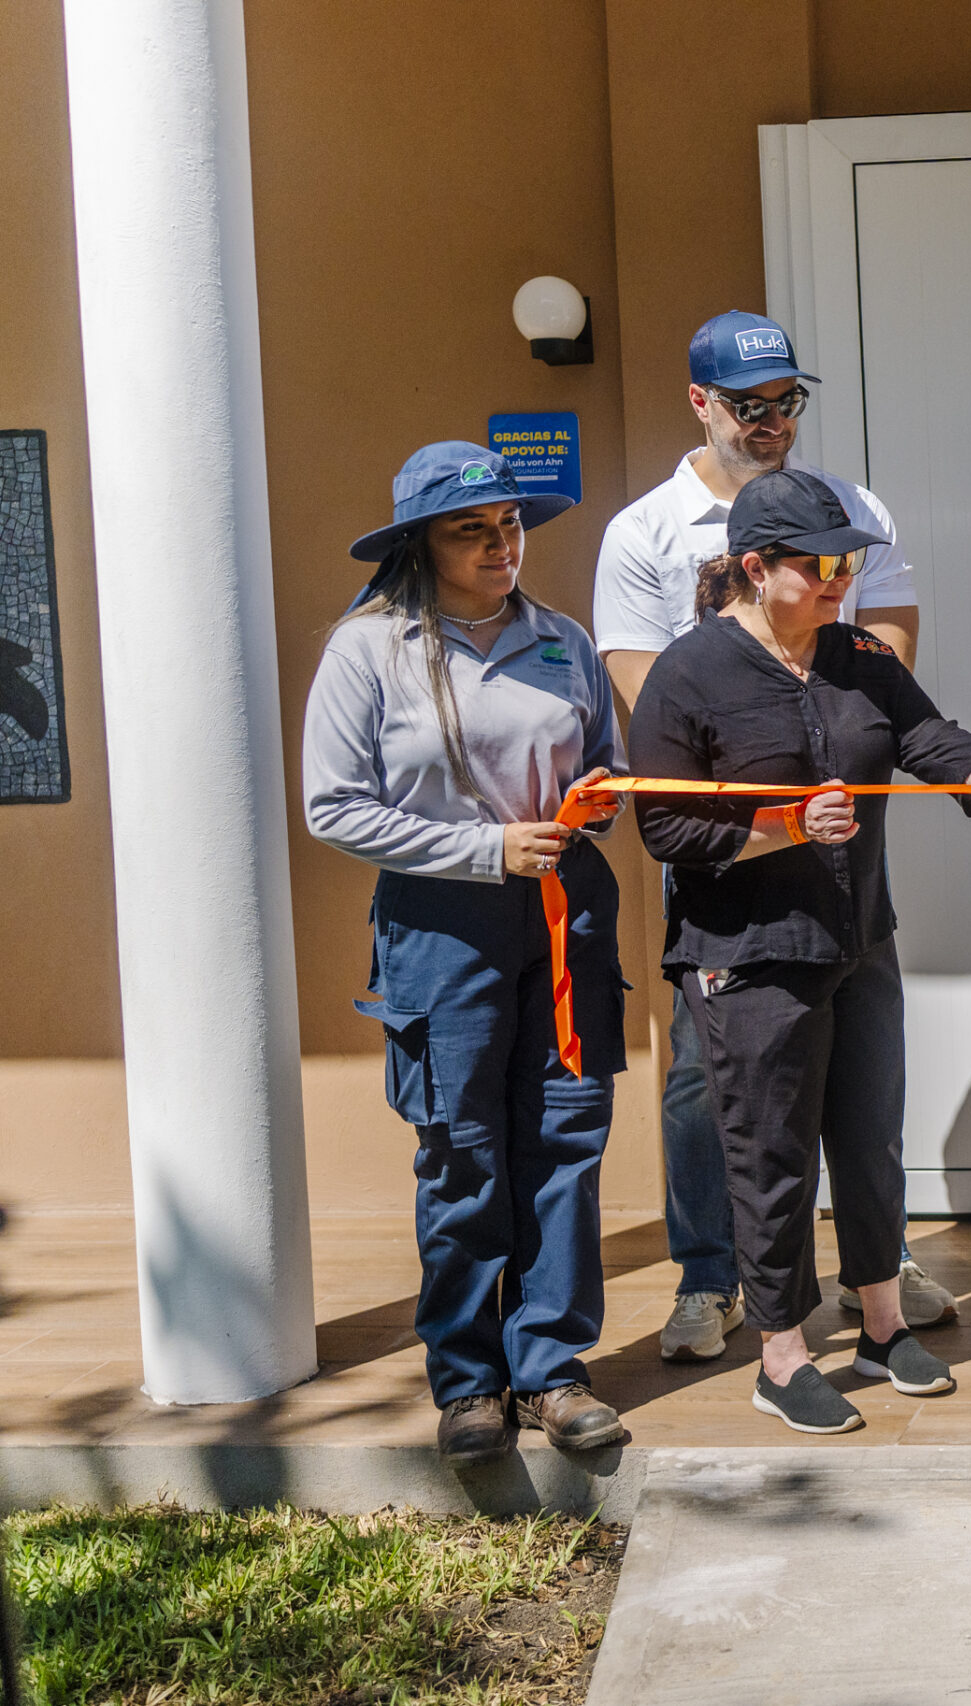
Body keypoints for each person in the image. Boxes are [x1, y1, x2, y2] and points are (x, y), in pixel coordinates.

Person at [631, 468, 971, 1435]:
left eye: (847, 563)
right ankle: (780, 1357)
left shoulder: (857, 654)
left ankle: (877, 1324)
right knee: (771, 1152)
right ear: (754, 568)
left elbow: (927, 736)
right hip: (750, 954)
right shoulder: (688, 673)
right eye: (819, 565)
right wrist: (779, 827)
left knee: (868, 1140)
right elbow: (662, 826)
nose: (838, 580)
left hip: (861, 940)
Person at [591, 310, 960, 1364]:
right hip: (728, 842)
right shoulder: (644, 531)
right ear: (700, 403)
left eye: (787, 402)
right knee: (715, 1076)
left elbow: (880, 655)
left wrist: (833, 764)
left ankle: (872, 1271)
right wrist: (757, 796)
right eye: (749, 405)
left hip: (842, 845)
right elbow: (642, 686)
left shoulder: (849, 509)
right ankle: (715, 1278)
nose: (772, 423)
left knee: (857, 1065)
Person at [303, 442, 631, 1463]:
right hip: (442, 927)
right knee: (463, 1154)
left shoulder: (562, 638)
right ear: (421, 543)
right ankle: (468, 1377)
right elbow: (331, 805)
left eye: (510, 525)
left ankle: (552, 1369)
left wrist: (602, 799)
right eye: (471, 530)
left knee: (563, 1143)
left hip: (565, 916)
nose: (500, 545)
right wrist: (486, 848)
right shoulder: (369, 649)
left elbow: (605, 760)